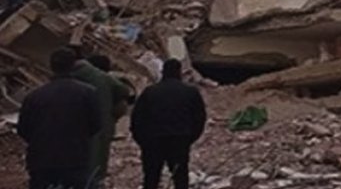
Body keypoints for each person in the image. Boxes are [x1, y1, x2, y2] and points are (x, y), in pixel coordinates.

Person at [18, 47, 102, 189]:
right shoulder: (88, 93)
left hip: (41, 160)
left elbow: (23, 129)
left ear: (51, 66)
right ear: (73, 66)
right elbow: (96, 124)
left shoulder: (34, 96)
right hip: (76, 158)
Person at [131, 58, 207, 189]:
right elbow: (199, 118)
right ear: (179, 72)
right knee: (180, 177)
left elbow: (137, 118)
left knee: (151, 177)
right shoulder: (190, 92)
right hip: (179, 138)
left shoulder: (150, 92)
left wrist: (142, 140)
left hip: (153, 140)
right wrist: (190, 137)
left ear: (163, 72)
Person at [71, 50, 133, 187]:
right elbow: (125, 92)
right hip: (101, 128)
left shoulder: (66, 78)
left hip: (71, 129)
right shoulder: (105, 79)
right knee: (96, 163)